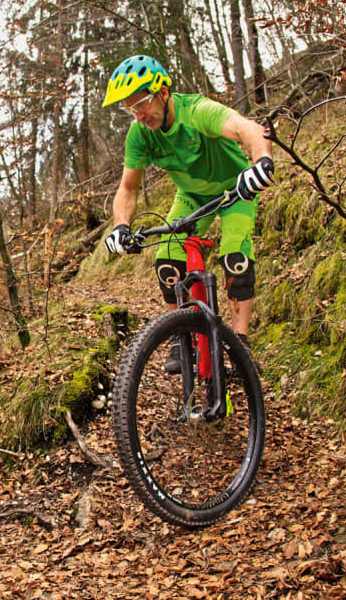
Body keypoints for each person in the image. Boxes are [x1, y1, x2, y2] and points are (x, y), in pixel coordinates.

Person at [101, 54, 274, 373]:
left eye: (143, 102)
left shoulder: (196, 111)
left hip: (234, 188)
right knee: (167, 257)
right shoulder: (140, 134)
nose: (139, 114)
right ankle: (182, 339)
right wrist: (121, 226)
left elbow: (246, 127)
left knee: (235, 257)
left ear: (163, 92)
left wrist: (260, 160)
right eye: (131, 108)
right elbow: (128, 188)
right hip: (192, 195)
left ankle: (241, 345)